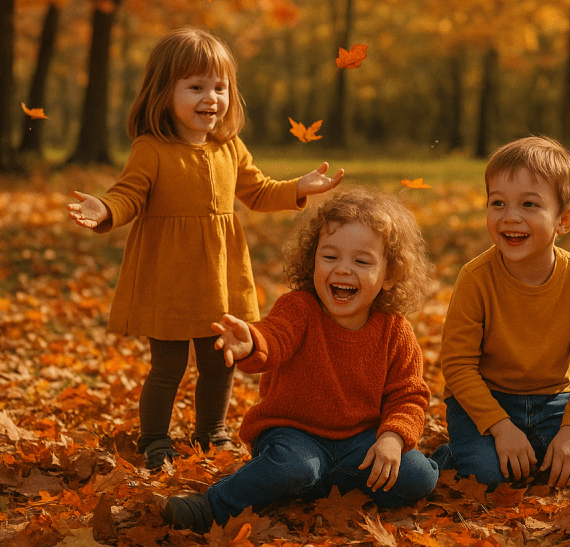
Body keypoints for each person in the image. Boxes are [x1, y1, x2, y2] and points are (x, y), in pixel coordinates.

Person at [68, 28, 344, 471]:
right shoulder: (151, 149)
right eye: (195, 87)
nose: (211, 98)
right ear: (164, 92)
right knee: (168, 367)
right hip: (169, 277)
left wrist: (299, 187)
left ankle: (211, 432)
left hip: (220, 275)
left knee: (220, 361)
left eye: (220, 87)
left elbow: (258, 191)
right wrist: (103, 209)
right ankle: (155, 438)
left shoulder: (229, 147)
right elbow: (129, 195)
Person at [161, 188, 440, 533]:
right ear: (312, 261)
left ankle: (321, 487)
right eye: (330, 257)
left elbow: (408, 396)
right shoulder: (300, 309)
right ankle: (212, 505)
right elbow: (274, 337)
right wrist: (251, 342)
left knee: (419, 475)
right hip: (294, 436)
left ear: (390, 274)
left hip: (360, 444)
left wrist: (393, 438)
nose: (343, 270)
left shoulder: (395, 331)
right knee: (295, 467)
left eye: (361, 261)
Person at [433, 136, 570, 490]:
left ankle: (542, 445)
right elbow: (457, 364)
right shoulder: (476, 278)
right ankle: (456, 453)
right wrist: (500, 427)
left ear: (564, 220)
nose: (510, 217)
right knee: (488, 477)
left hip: (555, 401)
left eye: (530, 205)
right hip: (487, 397)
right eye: (497, 203)